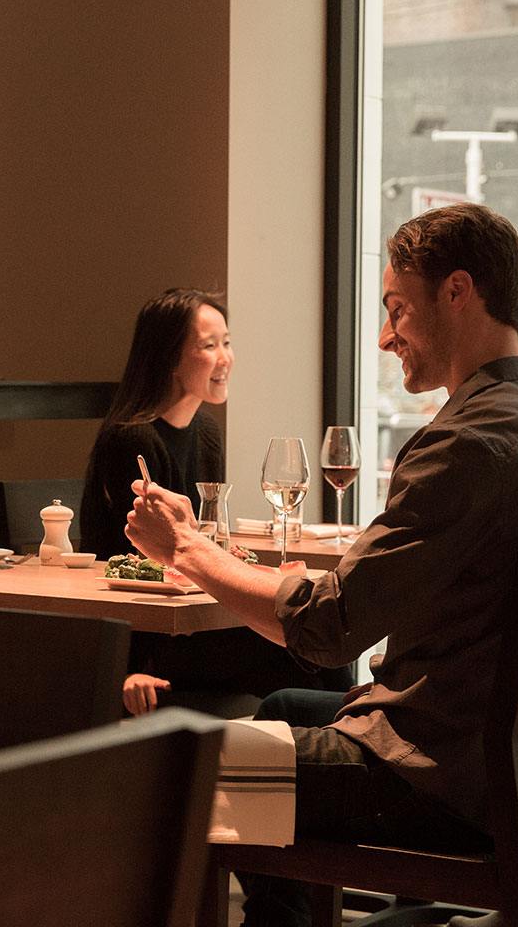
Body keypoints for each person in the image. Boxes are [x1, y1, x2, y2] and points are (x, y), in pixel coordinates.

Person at [125, 203, 518, 927]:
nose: (387, 335)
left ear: (457, 293)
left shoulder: (465, 444)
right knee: (285, 709)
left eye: (397, 308)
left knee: (175, 766)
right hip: (508, 773)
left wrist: (187, 550)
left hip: (425, 786)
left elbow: (328, 627)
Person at [80, 288, 350, 717]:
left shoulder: (205, 431)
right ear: (169, 356)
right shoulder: (134, 439)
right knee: (306, 639)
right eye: (209, 345)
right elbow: (126, 560)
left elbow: (206, 541)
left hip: (197, 621)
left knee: (315, 635)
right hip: (160, 637)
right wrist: (131, 668)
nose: (225, 357)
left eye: (226, 342)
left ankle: (337, 748)